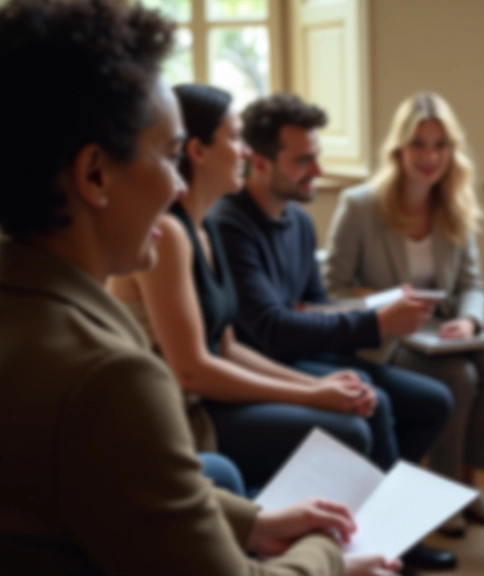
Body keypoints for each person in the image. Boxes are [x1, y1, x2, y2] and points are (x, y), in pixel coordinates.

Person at [0, 1, 399, 574]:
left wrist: (253, 523)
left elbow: (108, 481)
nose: (174, 183)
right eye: (167, 156)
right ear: (94, 176)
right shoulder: (111, 379)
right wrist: (331, 554)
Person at [208, 93, 456, 573]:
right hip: (270, 361)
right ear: (258, 162)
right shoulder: (230, 224)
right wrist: (373, 322)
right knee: (375, 402)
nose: (317, 171)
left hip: (303, 350)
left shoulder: (298, 222)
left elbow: (314, 307)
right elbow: (273, 330)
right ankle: (378, 542)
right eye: (303, 160)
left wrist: (374, 304)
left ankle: (385, 522)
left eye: (317, 156)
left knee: (433, 402)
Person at [108, 83, 397, 492]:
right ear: (198, 150)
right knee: (347, 431)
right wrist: (312, 397)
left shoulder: (206, 226)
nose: (246, 152)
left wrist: (318, 385)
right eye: (235, 138)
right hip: (184, 416)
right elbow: (192, 371)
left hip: (214, 396)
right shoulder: (168, 233)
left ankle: (356, 540)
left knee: (354, 412)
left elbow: (228, 347)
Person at [323, 92, 484, 537]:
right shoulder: (360, 206)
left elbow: (473, 286)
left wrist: (469, 322)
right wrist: (388, 304)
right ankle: (441, 495)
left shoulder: (454, 205)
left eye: (440, 145)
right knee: (459, 377)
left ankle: (468, 483)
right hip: (387, 336)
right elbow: (331, 289)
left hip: (441, 329)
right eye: (419, 144)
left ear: (451, 151)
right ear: (399, 150)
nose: (430, 156)